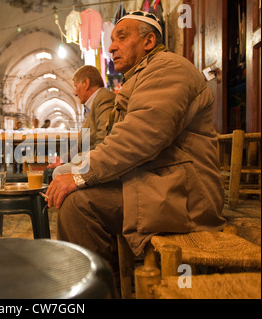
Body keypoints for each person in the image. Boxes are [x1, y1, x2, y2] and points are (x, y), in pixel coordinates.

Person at [45, 11, 226, 272]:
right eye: (111, 39)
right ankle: (107, 279)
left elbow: (139, 138)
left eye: (122, 37)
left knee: (79, 205)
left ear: (149, 42)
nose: (112, 46)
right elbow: (115, 139)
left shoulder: (168, 69)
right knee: (74, 189)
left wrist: (80, 175)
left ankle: (100, 288)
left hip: (185, 194)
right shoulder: (142, 77)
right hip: (157, 182)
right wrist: (76, 170)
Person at [49, 65, 116, 178]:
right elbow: (83, 143)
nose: (75, 93)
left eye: (76, 86)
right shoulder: (93, 105)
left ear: (86, 83)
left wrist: (82, 164)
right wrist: (63, 159)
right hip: (89, 157)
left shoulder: (104, 99)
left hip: (100, 162)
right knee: (55, 170)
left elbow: (104, 140)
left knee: (59, 173)